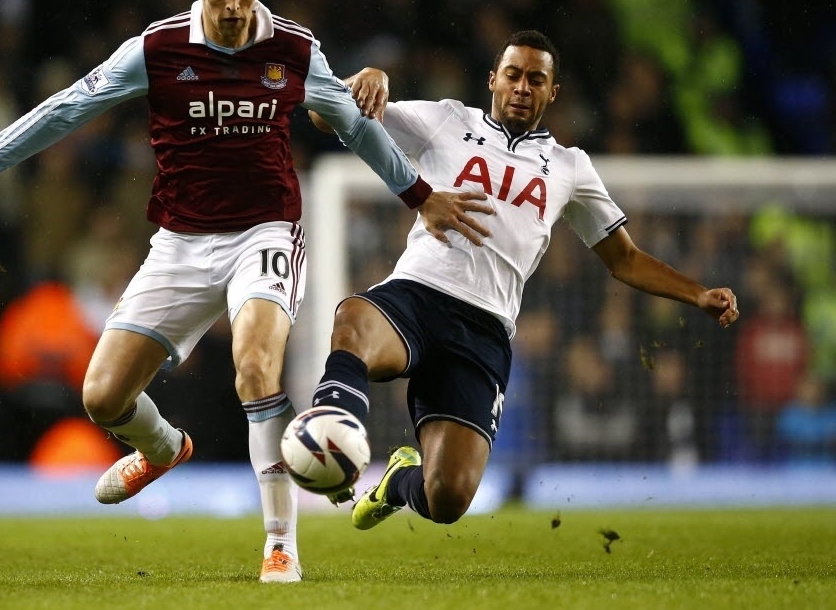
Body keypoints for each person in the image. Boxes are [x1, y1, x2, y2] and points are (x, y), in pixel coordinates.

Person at [0, 0, 486, 582]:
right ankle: (163, 448)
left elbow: (355, 126)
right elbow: (65, 109)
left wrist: (419, 195)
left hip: (265, 232)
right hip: (179, 243)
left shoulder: (294, 49)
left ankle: (280, 543)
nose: (232, 6)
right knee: (102, 397)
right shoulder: (156, 48)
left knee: (255, 368)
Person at [307, 29, 739, 529]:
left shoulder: (570, 168)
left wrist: (697, 293)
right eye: (513, 75)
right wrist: (368, 79)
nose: (522, 87)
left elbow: (624, 259)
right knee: (354, 319)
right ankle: (331, 430)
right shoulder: (446, 120)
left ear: (552, 92)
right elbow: (326, 116)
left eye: (536, 79)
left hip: (484, 329)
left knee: (447, 499)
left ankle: (397, 480)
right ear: (493, 79)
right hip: (418, 294)